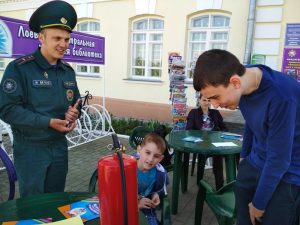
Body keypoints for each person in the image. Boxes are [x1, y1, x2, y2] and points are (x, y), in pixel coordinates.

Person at [193, 49, 300, 225]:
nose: (214, 104)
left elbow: (280, 160)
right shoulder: (243, 79)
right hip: (254, 163)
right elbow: (251, 121)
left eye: (215, 97)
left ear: (235, 82)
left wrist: (259, 203)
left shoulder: (282, 96)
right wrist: (244, 158)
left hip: (287, 175)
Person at [0, 1, 81, 197]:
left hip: (59, 147)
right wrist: (48, 122)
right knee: (33, 205)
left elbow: (76, 102)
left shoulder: (67, 71)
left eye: (67, 39)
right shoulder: (19, 68)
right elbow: (7, 109)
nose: (63, 44)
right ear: (41, 37)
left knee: (55, 200)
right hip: (31, 150)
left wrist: (74, 113)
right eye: (57, 38)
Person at [186, 93, 228, 190]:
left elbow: (224, 127)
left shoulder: (215, 113)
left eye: (209, 101)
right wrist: (202, 137)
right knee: (204, 152)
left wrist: (219, 135)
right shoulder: (193, 113)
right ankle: (200, 182)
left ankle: (220, 186)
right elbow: (189, 129)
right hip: (200, 142)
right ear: (199, 100)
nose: (206, 103)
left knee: (219, 153)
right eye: (204, 100)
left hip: (214, 142)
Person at [136, 133, 169, 225]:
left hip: (147, 210)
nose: (150, 159)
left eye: (156, 156)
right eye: (148, 152)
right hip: (125, 207)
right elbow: (117, 194)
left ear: (161, 158)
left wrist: (156, 194)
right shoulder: (127, 168)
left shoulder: (161, 174)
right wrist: (137, 203)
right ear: (139, 150)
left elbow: (161, 189)